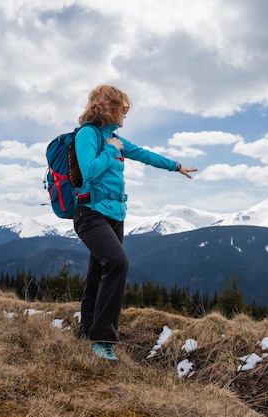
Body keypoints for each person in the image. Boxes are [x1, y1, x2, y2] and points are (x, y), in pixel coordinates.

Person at [73, 85, 197, 360]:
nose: (125, 116)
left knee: (98, 273)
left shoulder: (114, 138)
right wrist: (110, 150)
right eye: (122, 110)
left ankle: (86, 331)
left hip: (115, 216)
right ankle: (102, 338)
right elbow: (88, 172)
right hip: (90, 214)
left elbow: (145, 155)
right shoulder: (87, 135)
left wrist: (176, 166)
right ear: (109, 107)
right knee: (118, 263)